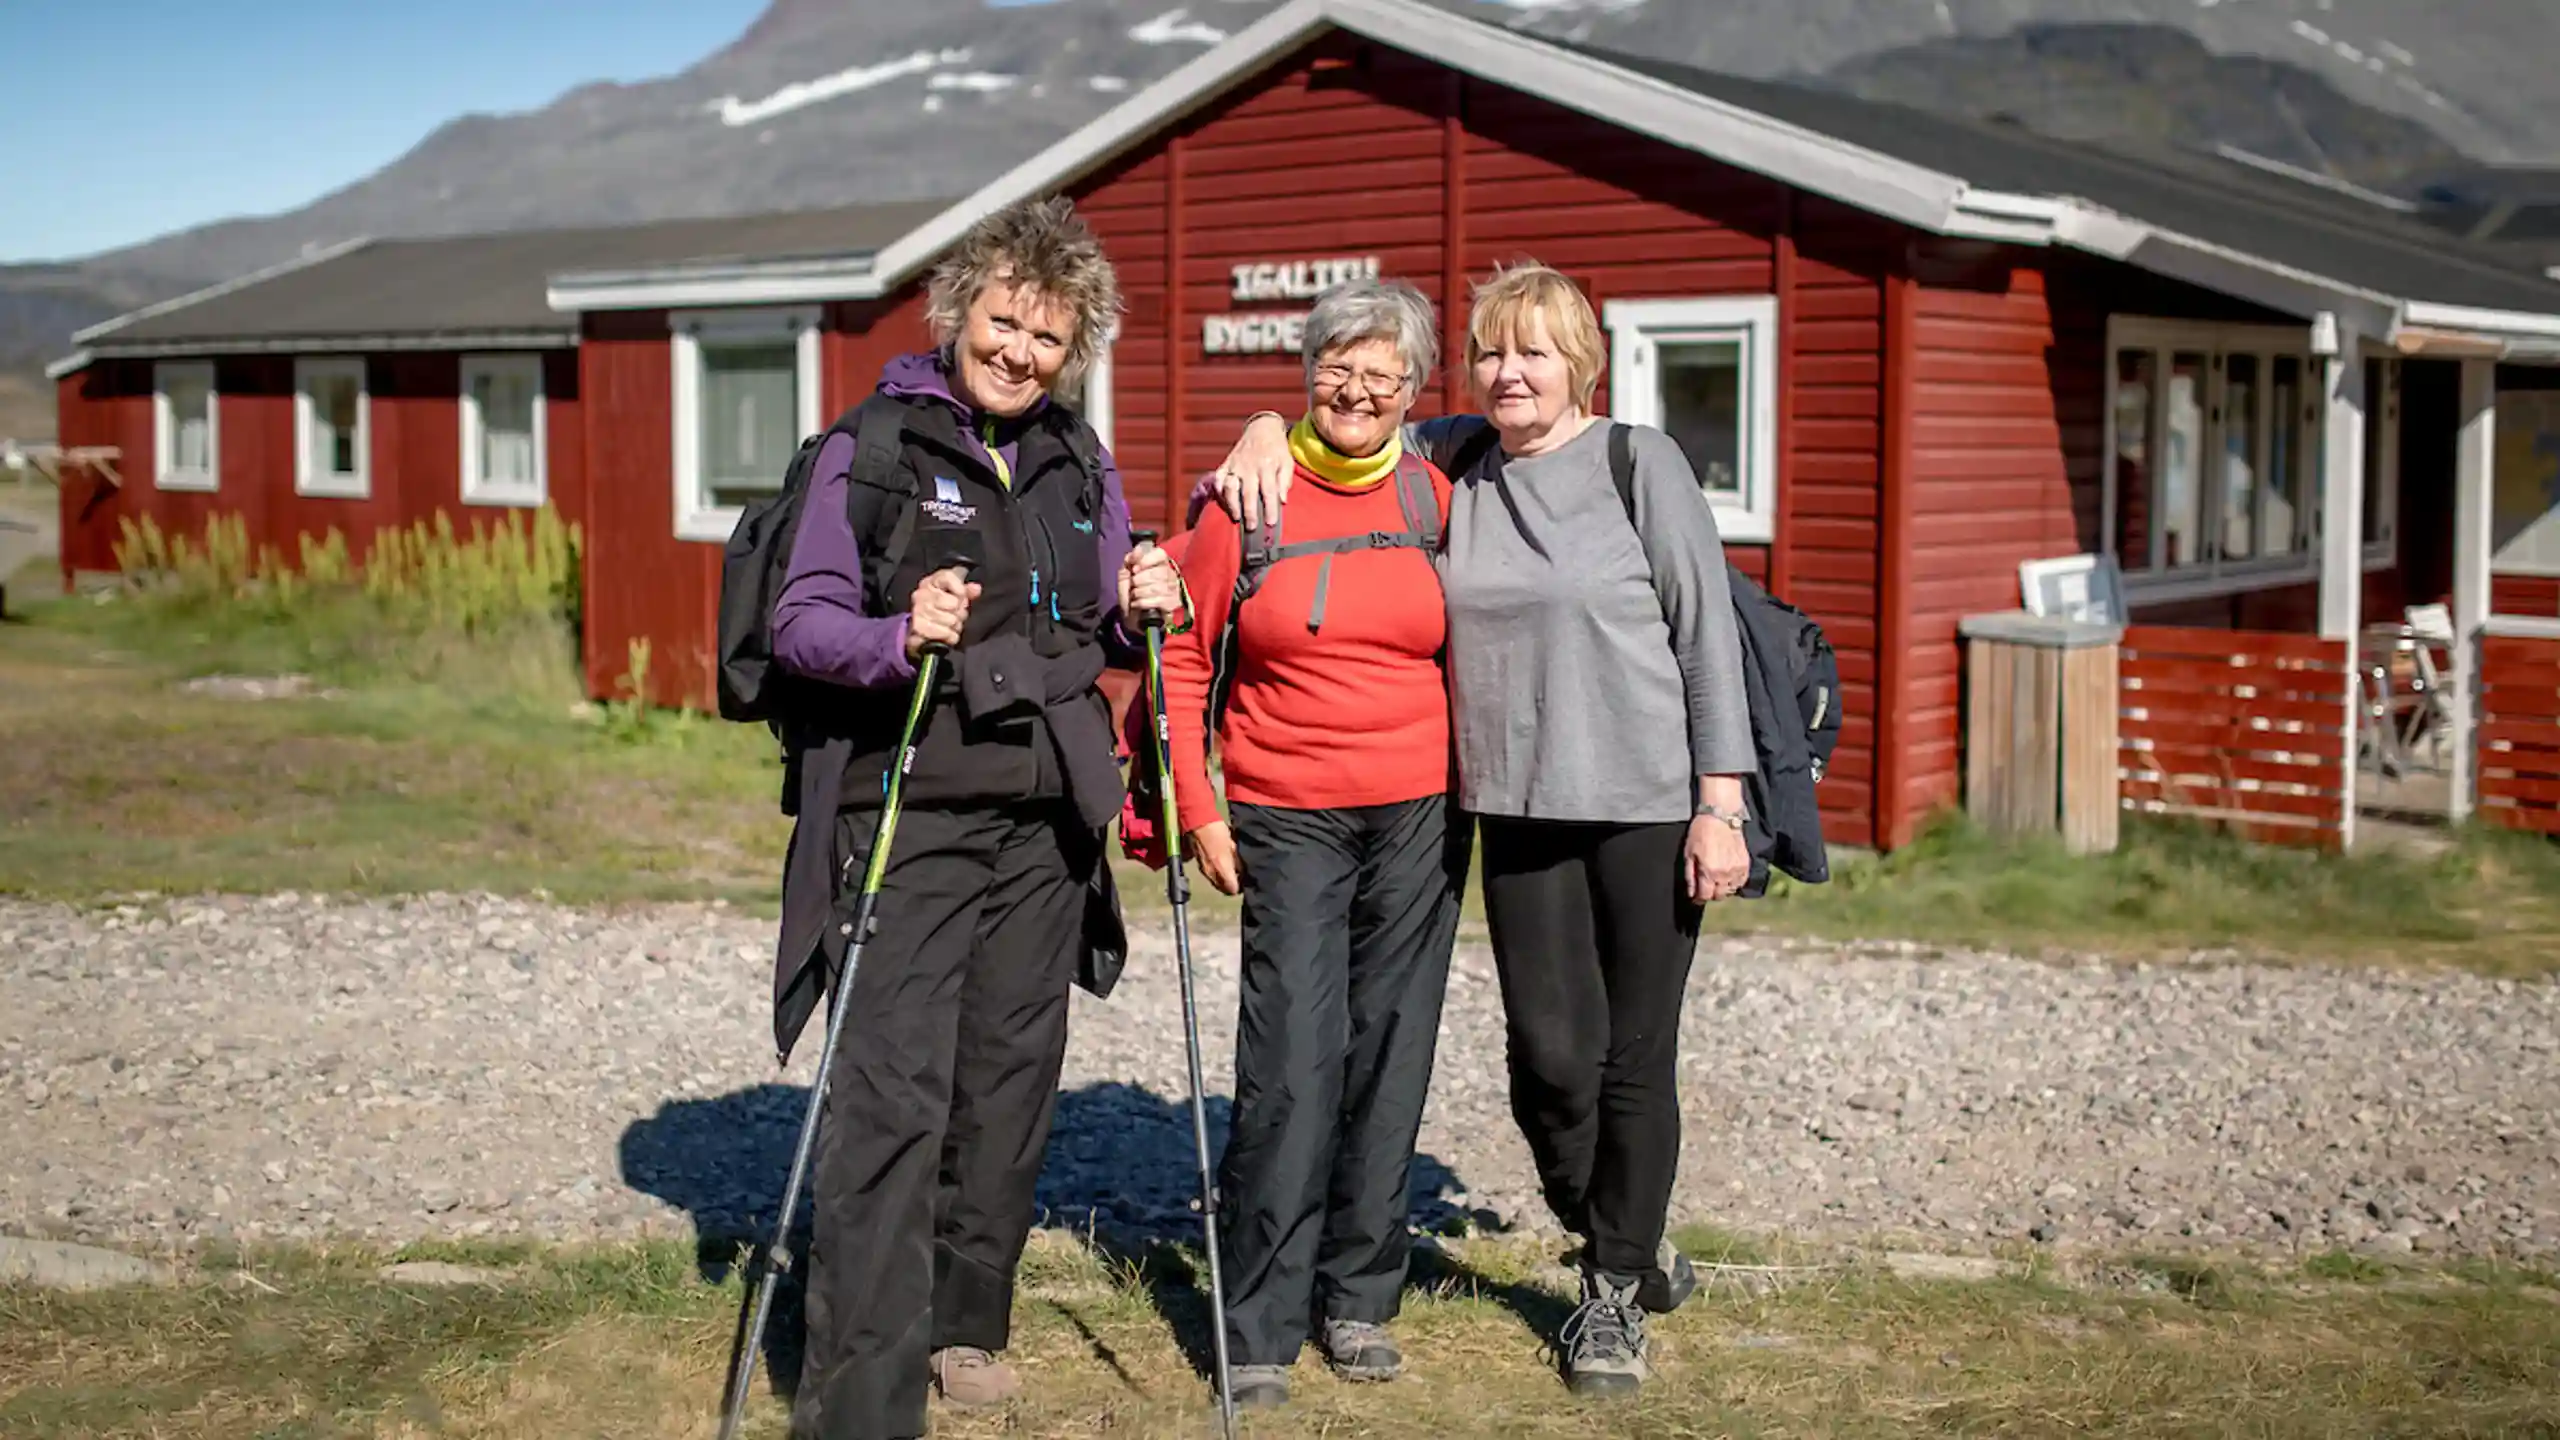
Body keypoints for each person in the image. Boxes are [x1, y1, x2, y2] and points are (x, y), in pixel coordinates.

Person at [1200, 260, 1755, 1398]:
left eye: (1535, 353)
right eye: (1494, 352)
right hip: (1511, 803)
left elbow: (1708, 637)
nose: (1511, 372)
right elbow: (1348, 400)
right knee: (1548, 1060)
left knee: (1632, 1055)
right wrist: (1260, 420)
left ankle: (1607, 1292)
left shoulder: (1635, 463)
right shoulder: (1460, 463)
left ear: (1581, 366)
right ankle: (1627, 1231)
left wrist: (1719, 803)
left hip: (1646, 804)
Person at [764, 194, 1186, 1440]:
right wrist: (900, 637)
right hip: (909, 814)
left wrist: (1140, 600)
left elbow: (1100, 615)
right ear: (959, 315)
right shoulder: (874, 445)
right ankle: (860, 1397)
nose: (1020, 354)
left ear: (1075, 352)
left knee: (1007, 1087)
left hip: (1045, 826)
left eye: (1049, 339)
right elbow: (802, 626)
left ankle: (966, 1324)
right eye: (1004, 323)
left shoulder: (1079, 458)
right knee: (892, 1100)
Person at [1156, 277, 1465, 1410]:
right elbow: (1182, 660)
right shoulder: (1248, 499)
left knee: (1391, 1053)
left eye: (1381, 373)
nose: (1356, 388)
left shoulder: (1436, 495)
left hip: (1421, 814)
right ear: (1306, 372)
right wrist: (1196, 805)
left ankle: (1359, 1296)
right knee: (1289, 1058)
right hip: (1287, 812)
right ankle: (1260, 1325)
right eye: (1338, 364)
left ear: (1412, 391)